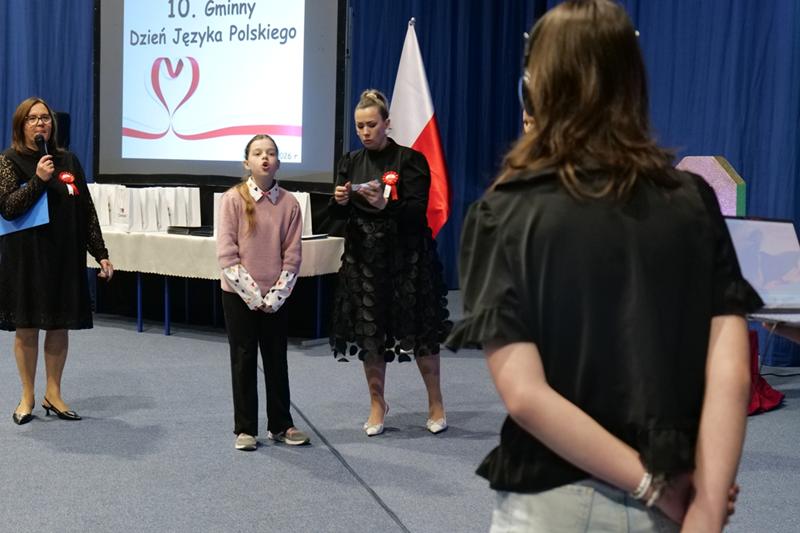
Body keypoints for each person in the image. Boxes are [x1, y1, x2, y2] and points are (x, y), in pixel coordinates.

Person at [446, 1, 762, 531]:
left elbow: (525, 395)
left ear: (533, 90)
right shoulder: (693, 199)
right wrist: (705, 505)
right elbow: (730, 369)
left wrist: (654, 488)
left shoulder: (502, 212)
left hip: (557, 504)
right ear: (633, 83)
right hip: (682, 502)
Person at [329, 89, 452, 436]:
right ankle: (377, 404)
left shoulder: (410, 160)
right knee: (370, 334)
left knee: (421, 331)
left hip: (407, 258)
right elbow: (336, 218)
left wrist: (386, 207)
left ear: (387, 123)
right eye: (359, 126)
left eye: (371, 124)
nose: (365, 132)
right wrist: (339, 201)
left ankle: (436, 402)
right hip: (364, 260)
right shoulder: (350, 162)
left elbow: (417, 212)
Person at [0, 96, 113, 424]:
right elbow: (8, 207)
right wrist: (39, 179)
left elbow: (86, 210)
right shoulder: (9, 160)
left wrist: (101, 253)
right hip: (27, 259)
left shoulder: (68, 160)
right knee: (27, 325)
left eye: (45, 118)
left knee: (58, 324)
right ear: (21, 125)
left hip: (64, 256)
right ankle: (27, 396)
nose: (41, 123)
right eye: (33, 118)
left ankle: (54, 393)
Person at [216, 134, 310, 451]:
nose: (265, 158)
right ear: (247, 163)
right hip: (239, 295)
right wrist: (254, 296)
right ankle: (245, 429)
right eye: (257, 153)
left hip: (276, 298)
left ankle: (281, 424)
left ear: (278, 163)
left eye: (270, 153)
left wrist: (274, 297)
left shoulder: (290, 204)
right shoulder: (232, 199)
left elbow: (292, 256)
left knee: (276, 358)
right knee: (243, 358)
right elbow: (227, 255)